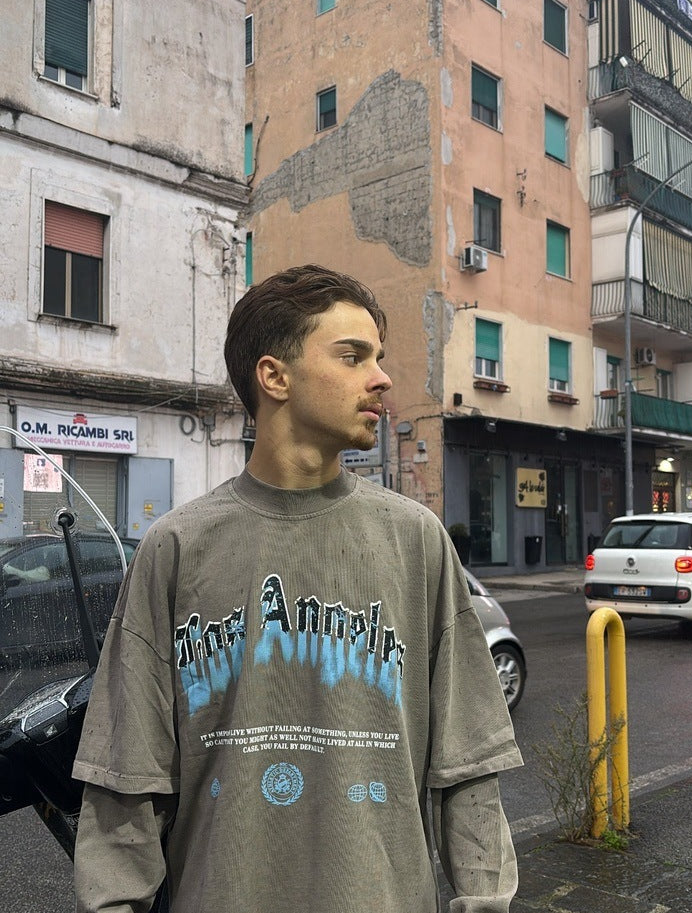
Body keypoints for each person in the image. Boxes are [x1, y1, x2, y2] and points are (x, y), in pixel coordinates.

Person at [73, 264, 523, 913]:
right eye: (352, 356)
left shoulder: (416, 540)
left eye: (378, 357)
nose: (381, 378)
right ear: (274, 377)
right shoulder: (175, 549)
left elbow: (468, 766)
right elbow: (125, 784)